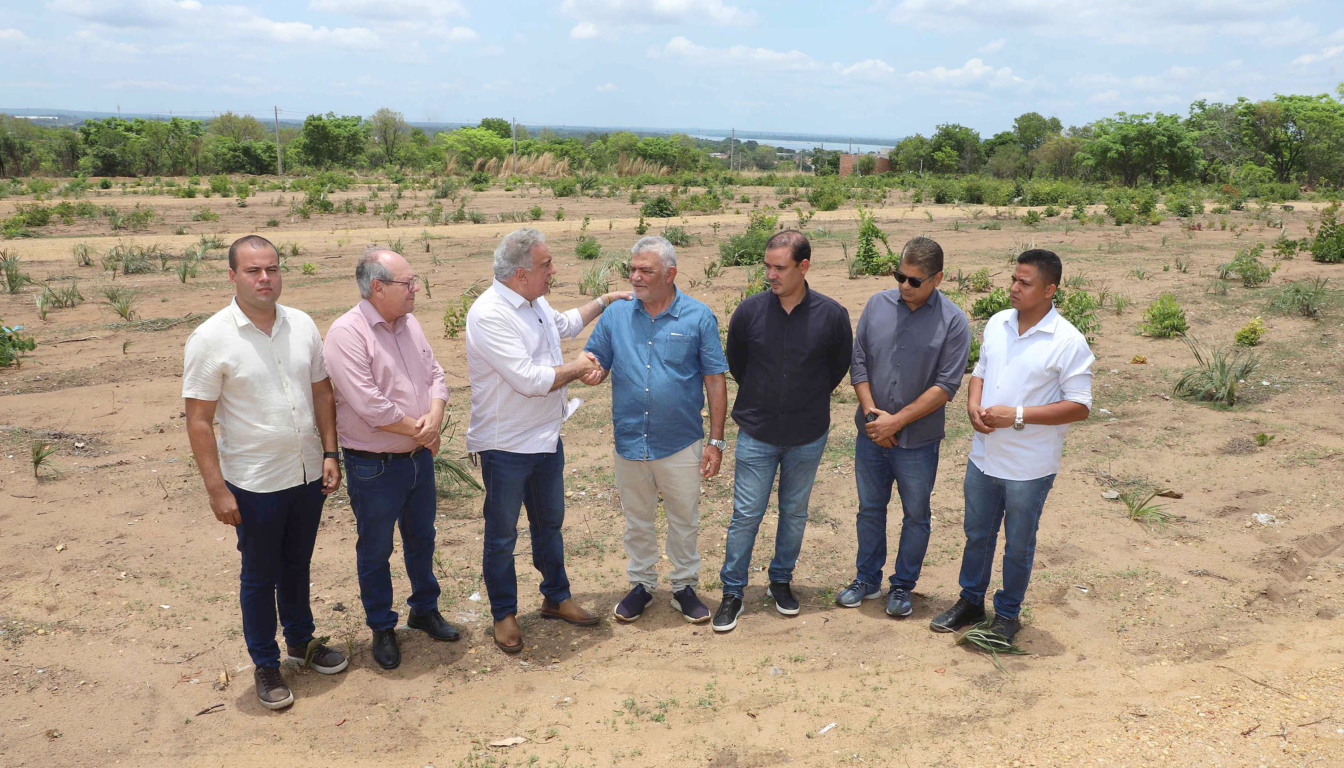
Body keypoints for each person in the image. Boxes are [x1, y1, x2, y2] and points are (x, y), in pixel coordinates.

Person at [183, 235, 347, 711]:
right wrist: (217, 489)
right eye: (253, 271)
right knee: (259, 574)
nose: (264, 279)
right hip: (254, 481)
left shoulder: (301, 325)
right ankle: (266, 662)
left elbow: (321, 392)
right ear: (232, 275)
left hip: (305, 473)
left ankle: (301, 640)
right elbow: (198, 420)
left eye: (272, 269)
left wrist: (330, 453)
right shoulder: (211, 338)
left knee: (297, 563)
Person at [465, 228, 630, 654]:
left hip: (544, 437)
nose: (553, 271)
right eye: (546, 265)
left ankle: (556, 597)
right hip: (506, 446)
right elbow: (529, 379)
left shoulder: (532, 302)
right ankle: (503, 614)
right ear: (521, 273)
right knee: (502, 535)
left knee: (549, 524)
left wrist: (606, 301)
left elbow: (564, 324)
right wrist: (578, 368)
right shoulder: (490, 314)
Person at [930, 248, 1093, 642]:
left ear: (1050, 289)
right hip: (984, 456)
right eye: (1013, 279)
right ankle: (970, 601)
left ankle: (1007, 614)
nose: (1014, 288)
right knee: (976, 534)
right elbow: (980, 372)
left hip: (1029, 465)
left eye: (1025, 283)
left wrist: (1015, 415)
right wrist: (973, 404)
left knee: (1018, 542)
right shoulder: (999, 323)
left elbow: (1079, 406)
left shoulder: (1067, 341)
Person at [584, 235, 730, 625]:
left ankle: (684, 586)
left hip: (681, 442)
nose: (634, 277)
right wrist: (591, 371)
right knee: (638, 519)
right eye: (631, 269)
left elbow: (715, 379)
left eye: (644, 270)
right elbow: (595, 360)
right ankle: (642, 585)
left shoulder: (698, 317)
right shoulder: (616, 315)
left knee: (685, 518)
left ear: (670, 274)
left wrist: (715, 441)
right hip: (630, 439)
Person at [324, 247, 457, 671]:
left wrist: (433, 416)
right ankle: (382, 626)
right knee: (376, 548)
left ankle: (424, 609)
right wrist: (423, 428)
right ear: (377, 287)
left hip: (418, 457)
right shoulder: (347, 333)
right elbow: (369, 404)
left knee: (422, 538)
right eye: (408, 282)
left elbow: (436, 373)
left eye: (414, 281)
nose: (416, 288)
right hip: (375, 464)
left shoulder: (410, 323)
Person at [712, 230, 852, 633]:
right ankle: (733, 591)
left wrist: (805, 398)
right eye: (767, 266)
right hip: (757, 430)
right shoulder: (749, 312)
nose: (770, 275)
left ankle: (780, 581)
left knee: (794, 512)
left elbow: (838, 366)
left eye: (779, 267)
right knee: (746, 514)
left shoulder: (832, 314)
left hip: (808, 434)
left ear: (803, 267)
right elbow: (738, 363)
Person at [837, 236, 971, 620]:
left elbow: (946, 385)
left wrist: (897, 421)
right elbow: (858, 360)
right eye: (900, 276)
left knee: (916, 514)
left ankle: (902, 585)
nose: (904, 286)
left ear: (938, 278)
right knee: (870, 509)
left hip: (918, 442)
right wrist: (872, 415)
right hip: (871, 434)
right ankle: (867, 579)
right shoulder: (877, 305)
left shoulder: (953, 321)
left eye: (914, 280)